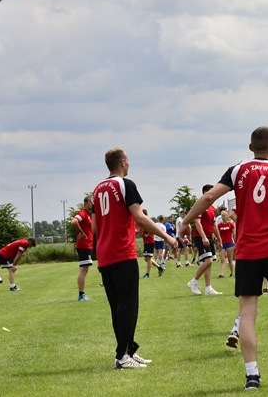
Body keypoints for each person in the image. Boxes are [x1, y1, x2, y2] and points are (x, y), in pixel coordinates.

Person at [182, 126, 268, 388]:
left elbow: (209, 197)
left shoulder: (238, 169)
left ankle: (252, 375)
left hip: (247, 251)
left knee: (247, 312)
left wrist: (185, 221)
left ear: (250, 147)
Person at [93, 147, 176, 369]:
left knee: (117, 307)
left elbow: (94, 226)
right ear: (122, 161)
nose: (129, 164)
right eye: (128, 160)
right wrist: (168, 237)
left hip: (105, 255)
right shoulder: (125, 185)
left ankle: (128, 350)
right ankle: (122, 357)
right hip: (122, 253)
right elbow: (139, 217)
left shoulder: (97, 189)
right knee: (128, 307)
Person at [186, 185, 221, 295]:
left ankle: (208, 289)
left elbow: (214, 224)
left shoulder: (213, 208)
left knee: (209, 263)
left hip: (209, 237)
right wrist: (204, 237)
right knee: (208, 260)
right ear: (205, 192)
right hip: (201, 237)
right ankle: (193, 281)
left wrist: (219, 238)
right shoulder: (200, 205)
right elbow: (197, 222)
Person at [72, 195, 95, 300]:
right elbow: (74, 221)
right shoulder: (83, 213)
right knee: (83, 271)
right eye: (90, 202)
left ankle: (82, 294)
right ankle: (81, 295)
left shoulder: (88, 215)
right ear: (85, 203)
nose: (92, 204)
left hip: (87, 245)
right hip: (84, 245)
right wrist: (81, 232)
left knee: (84, 270)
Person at [140, 209, 165, 279]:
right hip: (146, 242)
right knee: (146, 258)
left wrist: (148, 234)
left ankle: (147, 274)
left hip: (149, 242)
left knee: (148, 258)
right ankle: (160, 268)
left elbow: (153, 228)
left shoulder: (147, 220)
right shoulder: (143, 220)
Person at [217, 209, 236, 278]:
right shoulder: (219, 225)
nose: (223, 217)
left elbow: (234, 234)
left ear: (228, 216)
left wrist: (235, 243)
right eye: (222, 216)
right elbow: (217, 235)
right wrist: (218, 243)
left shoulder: (231, 224)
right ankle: (222, 274)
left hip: (230, 243)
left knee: (230, 259)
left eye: (225, 215)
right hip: (222, 244)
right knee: (222, 259)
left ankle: (232, 273)